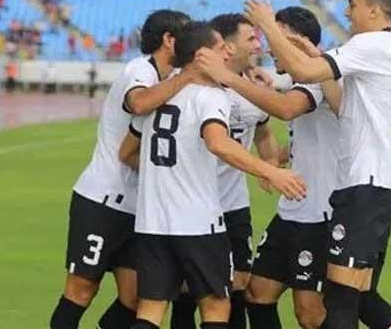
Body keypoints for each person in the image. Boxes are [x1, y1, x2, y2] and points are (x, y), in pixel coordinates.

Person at [231, 0, 391, 329]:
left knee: (336, 303)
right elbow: (343, 106)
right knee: (347, 296)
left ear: (374, 11)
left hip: (360, 187)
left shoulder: (373, 44)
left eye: (353, 4)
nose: (347, 11)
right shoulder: (387, 47)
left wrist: (267, 25)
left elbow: (299, 82)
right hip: (359, 186)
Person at [118, 21, 306, 329]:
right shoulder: (211, 96)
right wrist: (272, 171)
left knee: (150, 311)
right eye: (221, 48)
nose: (227, 53)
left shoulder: (159, 94)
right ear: (201, 55)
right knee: (217, 307)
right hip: (197, 222)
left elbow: (127, 151)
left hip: (152, 222)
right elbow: (218, 143)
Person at [48, 10, 196, 329]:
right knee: (81, 289)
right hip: (102, 200)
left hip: (139, 207)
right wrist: (187, 77)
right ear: (169, 40)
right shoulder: (139, 69)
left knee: (135, 299)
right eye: (186, 36)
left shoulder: (171, 78)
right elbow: (139, 103)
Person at [196, 7, 338, 329]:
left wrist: (232, 79)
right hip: (293, 210)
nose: (269, 47)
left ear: (300, 42)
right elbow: (299, 138)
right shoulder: (295, 81)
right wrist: (275, 160)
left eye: (276, 38)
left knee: (309, 313)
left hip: (320, 213)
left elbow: (286, 109)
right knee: (257, 293)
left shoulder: (319, 81)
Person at [168, 13, 280, 329]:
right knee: (188, 290)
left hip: (233, 205)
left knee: (238, 285)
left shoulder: (254, 88)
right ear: (227, 46)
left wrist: (271, 163)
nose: (257, 45)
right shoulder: (193, 85)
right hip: (192, 205)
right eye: (251, 39)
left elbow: (262, 133)